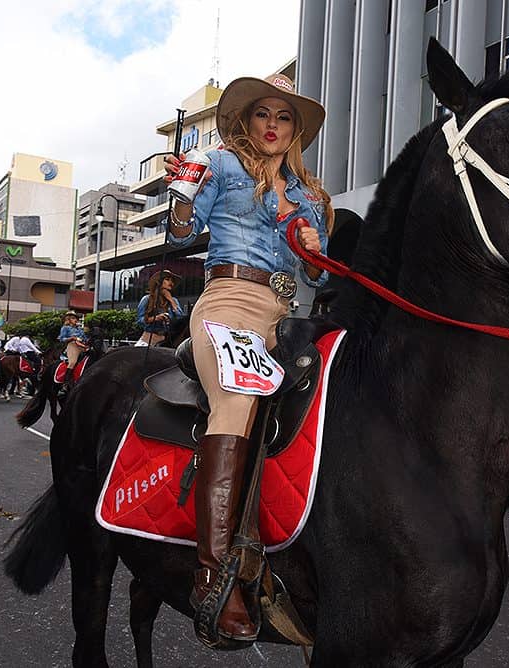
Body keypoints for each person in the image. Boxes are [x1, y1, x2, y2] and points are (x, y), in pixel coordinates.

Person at [163, 72, 331, 641]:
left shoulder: (311, 195)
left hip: (288, 316)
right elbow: (184, 233)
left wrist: (312, 253)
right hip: (229, 301)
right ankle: (213, 575)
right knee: (236, 400)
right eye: (263, 114)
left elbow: (317, 272)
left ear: (295, 130)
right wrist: (183, 198)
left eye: (284, 118)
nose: (273, 126)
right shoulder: (222, 163)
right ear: (246, 120)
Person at [135, 270, 184, 347]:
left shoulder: (174, 300)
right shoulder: (147, 299)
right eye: (167, 280)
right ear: (159, 282)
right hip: (148, 339)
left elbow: (180, 319)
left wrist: (171, 301)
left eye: (172, 281)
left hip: (166, 341)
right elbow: (139, 321)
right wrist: (155, 318)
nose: (171, 283)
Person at [57, 311, 88, 380]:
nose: (76, 320)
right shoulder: (65, 328)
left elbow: (85, 339)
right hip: (72, 345)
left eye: (76, 318)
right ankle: (66, 381)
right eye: (73, 318)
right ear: (69, 319)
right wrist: (71, 338)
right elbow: (61, 339)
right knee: (72, 362)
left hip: (82, 346)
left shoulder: (80, 329)